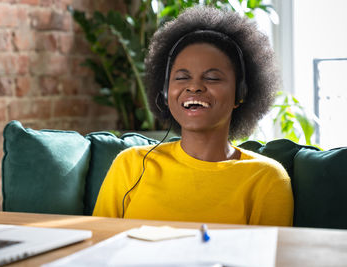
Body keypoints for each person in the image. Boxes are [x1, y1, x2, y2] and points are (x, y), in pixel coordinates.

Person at [92, 6, 293, 226]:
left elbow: (266, 259)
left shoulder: (267, 178)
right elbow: (97, 247)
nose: (194, 87)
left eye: (212, 78)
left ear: (241, 93)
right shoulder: (131, 164)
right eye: (181, 77)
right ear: (165, 92)